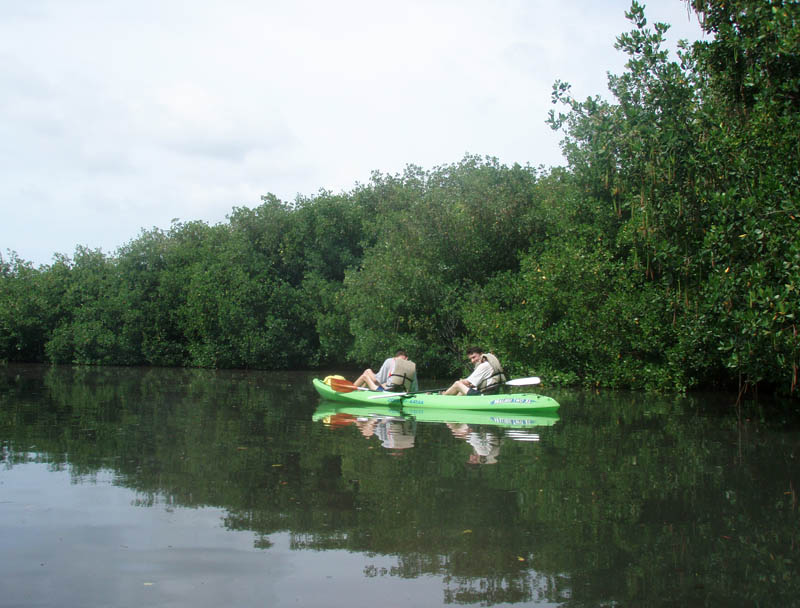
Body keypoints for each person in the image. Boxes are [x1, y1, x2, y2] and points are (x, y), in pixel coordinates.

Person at [352, 349, 419, 392]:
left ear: (395, 357)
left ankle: (349, 391)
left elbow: (378, 380)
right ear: (407, 358)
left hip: (387, 394)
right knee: (368, 372)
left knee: (365, 376)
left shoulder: (390, 361)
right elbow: (414, 388)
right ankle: (360, 393)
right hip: (403, 393)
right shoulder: (412, 367)